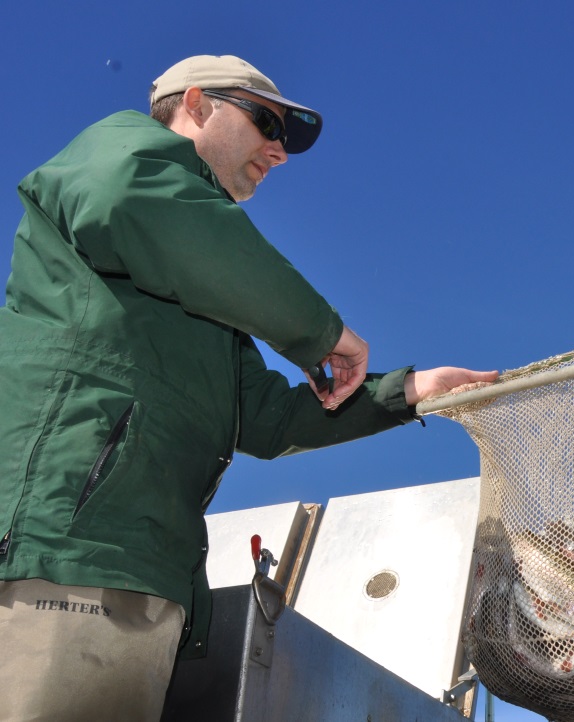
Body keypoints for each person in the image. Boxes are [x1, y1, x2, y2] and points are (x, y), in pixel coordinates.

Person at [0, 55, 496, 721]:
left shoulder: (209, 304)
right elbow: (135, 199)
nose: (279, 152)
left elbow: (266, 419)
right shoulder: (126, 154)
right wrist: (318, 331)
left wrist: (408, 390)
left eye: (288, 139)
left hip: (147, 578)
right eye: (267, 122)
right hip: (58, 557)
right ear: (196, 105)